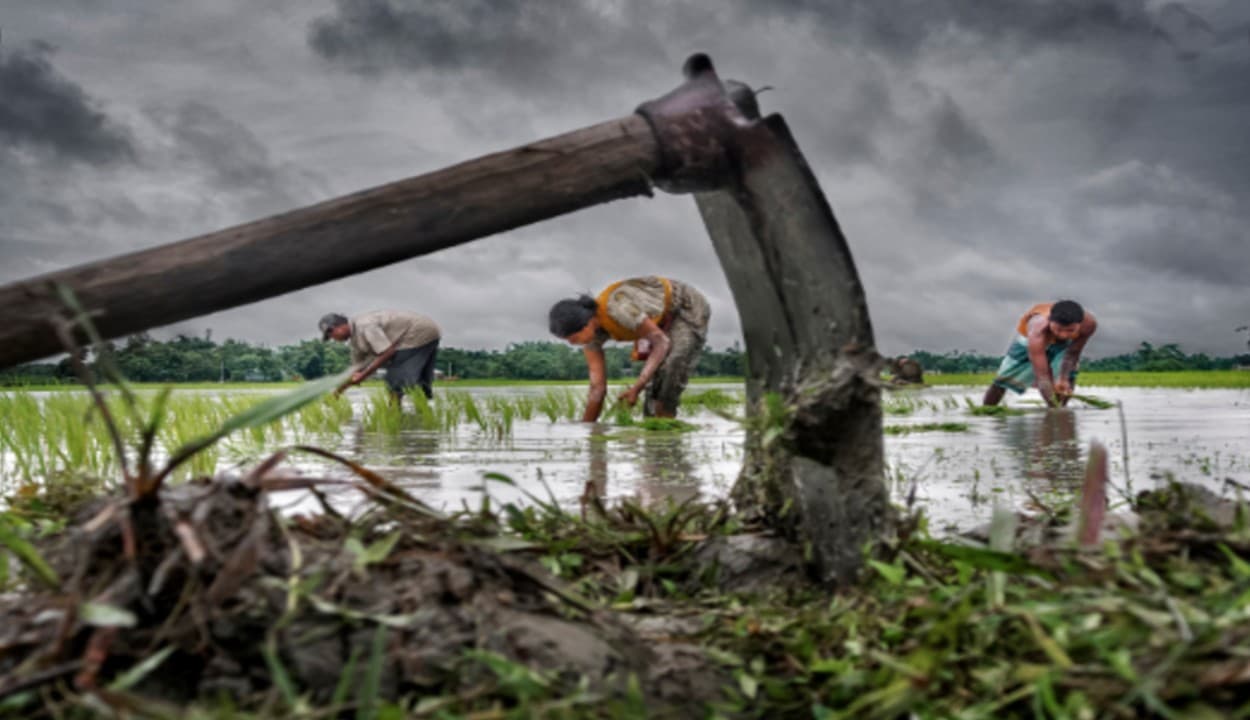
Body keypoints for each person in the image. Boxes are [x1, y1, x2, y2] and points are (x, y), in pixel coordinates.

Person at [548, 276, 711, 422]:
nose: (573, 344)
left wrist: (637, 387)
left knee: (672, 365)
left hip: (685, 306)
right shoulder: (592, 340)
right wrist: (589, 430)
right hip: (655, 320)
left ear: (587, 323)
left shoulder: (619, 309)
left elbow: (661, 342)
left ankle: (666, 424)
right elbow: (597, 388)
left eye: (573, 338)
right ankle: (654, 430)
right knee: (654, 387)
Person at [983, 300, 1097, 408]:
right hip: (1029, 341)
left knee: (1068, 378)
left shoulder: (1089, 325)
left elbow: (1072, 354)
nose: (1063, 335)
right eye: (1059, 329)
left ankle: (1061, 408)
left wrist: (1063, 378)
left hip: (1064, 346)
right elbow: (1042, 376)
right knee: (1003, 379)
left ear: (1079, 324)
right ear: (1050, 321)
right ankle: (987, 410)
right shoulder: (1037, 328)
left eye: (1070, 330)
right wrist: (1055, 410)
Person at [318, 310, 441, 403]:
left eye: (331, 335)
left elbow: (388, 352)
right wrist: (337, 392)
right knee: (416, 383)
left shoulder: (365, 326)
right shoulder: (355, 342)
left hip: (418, 331)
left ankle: (394, 415)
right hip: (422, 333)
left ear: (338, 326)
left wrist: (364, 375)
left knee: (395, 378)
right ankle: (423, 418)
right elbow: (355, 370)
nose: (333, 339)